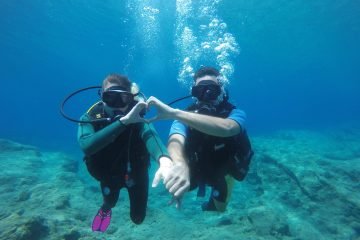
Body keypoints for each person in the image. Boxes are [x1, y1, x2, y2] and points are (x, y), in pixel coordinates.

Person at [149, 66, 253, 212]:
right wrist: (179, 163)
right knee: (182, 185)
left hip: (225, 169)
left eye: (212, 90)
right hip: (199, 167)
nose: (206, 95)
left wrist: (175, 113)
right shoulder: (183, 116)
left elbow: (228, 128)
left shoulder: (235, 113)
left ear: (221, 91)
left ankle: (217, 195)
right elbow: (175, 140)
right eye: (200, 91)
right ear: (194, 94)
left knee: (220, 209)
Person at [77, 74, 173, 232]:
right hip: (108, 174)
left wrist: (164, 158)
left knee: (138, 218)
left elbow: (150, 134)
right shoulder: (90, 117)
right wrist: (123, 122)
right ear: (101, 97)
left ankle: (113, 209)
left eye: (122, 98)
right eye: (110, 97)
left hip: (137, 174)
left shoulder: (138, 119)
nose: (116, 105)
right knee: (110, 202)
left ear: (130, 99)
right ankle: (105, 210)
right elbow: (87, 146)